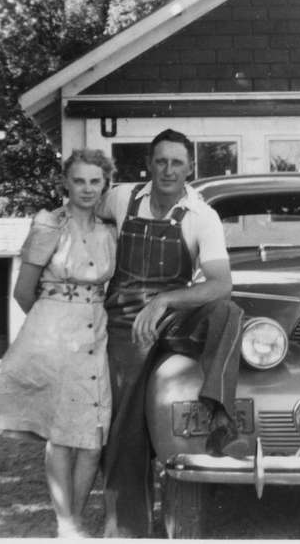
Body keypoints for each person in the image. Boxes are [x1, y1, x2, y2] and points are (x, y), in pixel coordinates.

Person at [98, 127, 245, 537]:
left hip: (172, 315)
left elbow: (220, 283)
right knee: (123, 424)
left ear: (189, 167)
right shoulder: (122, 198)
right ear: (148, 164)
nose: (167, 169)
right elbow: (83, 214)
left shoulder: (202, 215)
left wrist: (163, 301)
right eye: (160, 160)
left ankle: (220, 416)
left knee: (226, 312)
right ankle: (126, 530)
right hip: (126, 321)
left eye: (176, 162)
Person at [0, 149, 118, 538]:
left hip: (95, 332)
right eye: (79, 181)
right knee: (63, 435)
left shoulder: (110, 230)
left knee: (92, 440)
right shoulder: (49, 225)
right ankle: (66, 525)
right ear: (66, 183)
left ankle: (74, 521)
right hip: (56, 333)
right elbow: (22, 292)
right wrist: (50, 327)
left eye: (95, 182)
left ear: (105, 184)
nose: (87, 189)